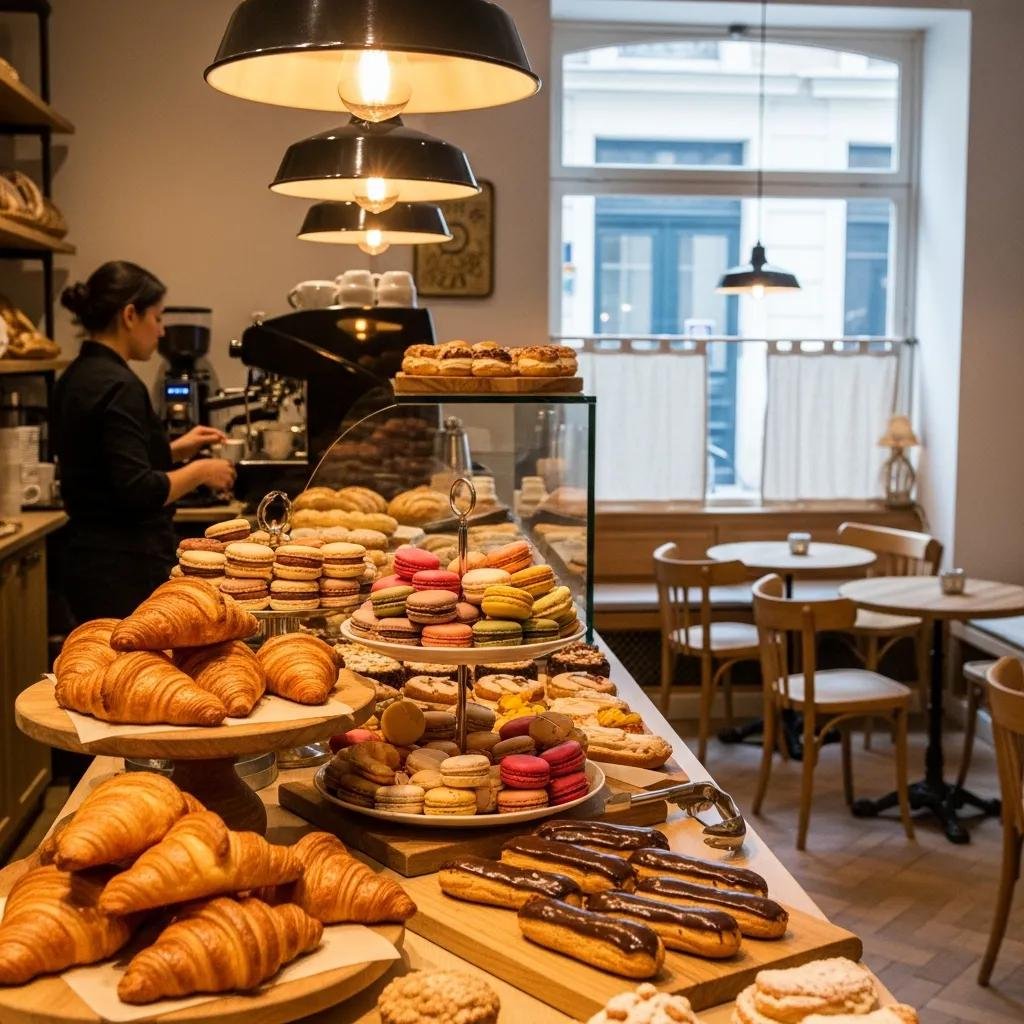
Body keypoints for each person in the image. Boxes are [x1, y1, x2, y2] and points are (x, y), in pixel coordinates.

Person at [52, 260, 236, 621]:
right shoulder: (120, 385)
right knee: (138, 672)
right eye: (158, 317)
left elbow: (104, 464)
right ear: (130, 315)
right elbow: (137, 489)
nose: (163, 331)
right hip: (126, 566)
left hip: (86, 560)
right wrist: (202, 470)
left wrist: (176, 448)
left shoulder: (74, 376)